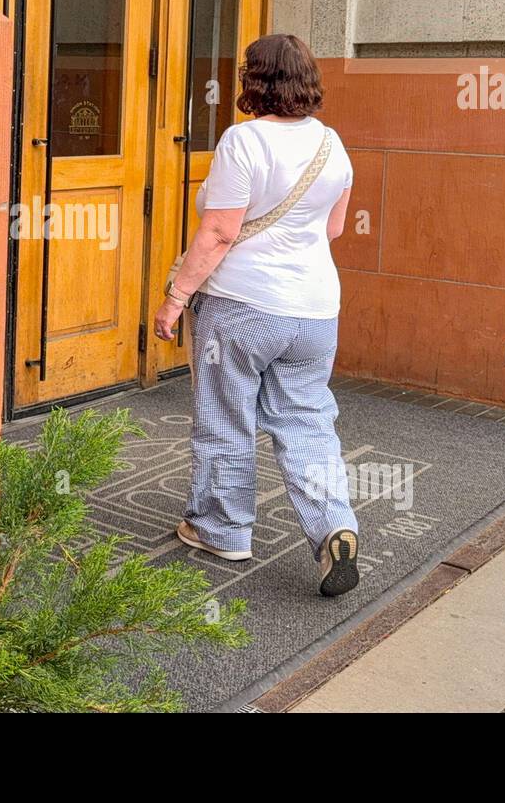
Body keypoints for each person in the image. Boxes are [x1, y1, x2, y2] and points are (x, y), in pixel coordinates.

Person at [153, 33, 360, 597]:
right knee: (307, 421)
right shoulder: (332, 145)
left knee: (226, 416)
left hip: (242, 306)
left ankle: (223, 528)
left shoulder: (243, 141)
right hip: (316, 310)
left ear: (253, 80)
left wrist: (175, 297)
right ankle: (334, 525)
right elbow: (334, 229)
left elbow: (219, 232)